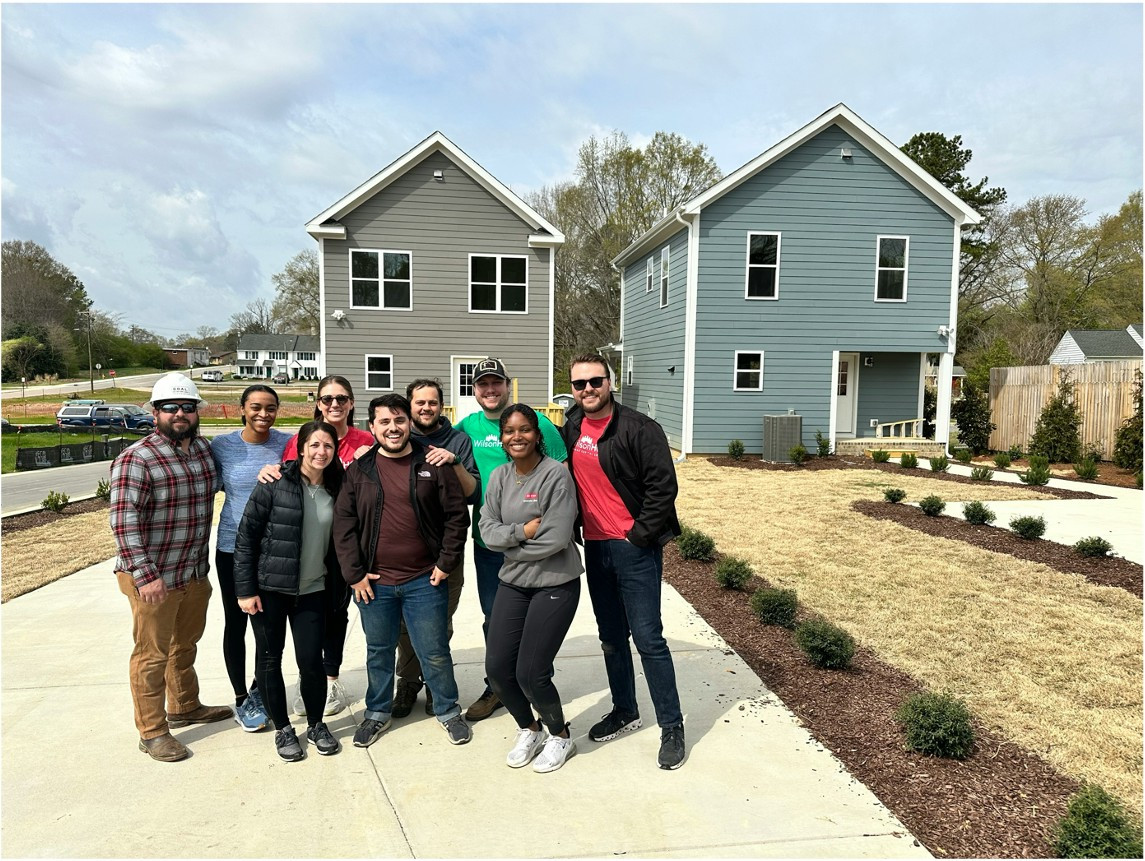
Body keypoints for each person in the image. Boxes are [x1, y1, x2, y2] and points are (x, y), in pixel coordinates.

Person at [561, 354, 687, 770]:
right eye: (579, 384)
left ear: (610, 383)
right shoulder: (573, 426)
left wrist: (638, 537)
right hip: (596, 548)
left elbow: (662, 488)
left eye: (595, 381)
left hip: (634, 548)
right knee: (611, 637)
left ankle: (672, 725)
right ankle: (625, 710)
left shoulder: (639, 428)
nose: (587, 390)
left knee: (648, 639)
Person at [333, 394, 473, 748]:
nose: (393, 428)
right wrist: (355, 574)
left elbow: (457, 518)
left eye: (399, 420)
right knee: (378, 651)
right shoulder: (359, 470)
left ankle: (447, 709)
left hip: (424, 579)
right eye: (384, 422)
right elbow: (343, 525)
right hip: (374, 584)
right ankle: (376, 713)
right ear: (372, 427)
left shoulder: (433, 463)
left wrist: (445, 563)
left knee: (435, 649)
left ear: (409, 423)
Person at [110, 373, 230, 763]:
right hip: (153, 577)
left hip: (193, 572)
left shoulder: (204, 452)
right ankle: (152, 731)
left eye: (187, 407)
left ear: (197, 412)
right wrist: (145, 575)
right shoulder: (136, 458)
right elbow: (124, 522)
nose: (179, 413)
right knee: (151, 654)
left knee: (185, 646)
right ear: (154, 411)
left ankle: (184, 706)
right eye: (170, 407)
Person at [456, 357, 567, 722]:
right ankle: (498, 685)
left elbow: (562, 477)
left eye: (496, 383)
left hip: (541, 551)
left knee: (534, 624)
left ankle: (533, 679)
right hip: (492, 547)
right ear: (475, 390)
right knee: (496, 617)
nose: (490, 390)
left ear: (507, 385)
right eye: (483, 384)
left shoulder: (541, 426)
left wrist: (552, 527)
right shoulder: (465, 429)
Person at [479, 404, 583, 772]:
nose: (517, 436)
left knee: (531, 671)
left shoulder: (555, 475)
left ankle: (560, 735)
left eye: (525, 429)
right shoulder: (499, 478)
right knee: (497, 670)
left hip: (555, 582)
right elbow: (486, 530)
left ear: (538, 435)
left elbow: (556, 537)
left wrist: (508, 548)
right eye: (509, 431)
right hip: (514, 583)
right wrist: (519, 533)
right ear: (502, 438)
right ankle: (530, 728)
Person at [234, 421, 345, 762]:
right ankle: (283, 728)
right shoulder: (275, 482)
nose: (321, 452)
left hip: (314, 590)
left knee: (311, 661)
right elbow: (246, 537)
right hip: (270, 590)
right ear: (300, 448)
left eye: (327, 445)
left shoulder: (339, 487)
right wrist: (245, 589)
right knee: (269, 659)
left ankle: (315, 724)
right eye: (314, 445)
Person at [267, 374, 374, 719]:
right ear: (318, 402)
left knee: (336, 613)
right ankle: (308, 678)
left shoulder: (365, 440)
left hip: (346, 544)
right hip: (307, 545)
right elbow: (286, 479)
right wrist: (267, 471)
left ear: (351, 403)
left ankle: (330, 680)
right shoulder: (304, 438)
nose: (334, 405)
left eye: (341, 398)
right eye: (327, 398)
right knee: (307, 616)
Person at [392, 378, 481, 719]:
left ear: (441, 406)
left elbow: (473, 494)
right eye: (419, 403)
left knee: (439, 621)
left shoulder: (457, 440)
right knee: (403, 624)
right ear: (410, 406)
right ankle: (408, 682)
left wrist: (454, 461)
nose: (426, 408)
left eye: (432, 402)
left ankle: (434, 683)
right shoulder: (399, 436)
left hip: (446, 549)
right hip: (404, 550)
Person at [210, 384, 291, 732]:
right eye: (256, 407)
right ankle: (242, 696)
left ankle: (261, 688)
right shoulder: (222, 446)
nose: (263, 414)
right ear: (241, 408)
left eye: (270, 407)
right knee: (236, 622)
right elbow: (204, 485)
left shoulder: (287, 443)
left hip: (271, 550)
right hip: (231, 547)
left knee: (267, 628)